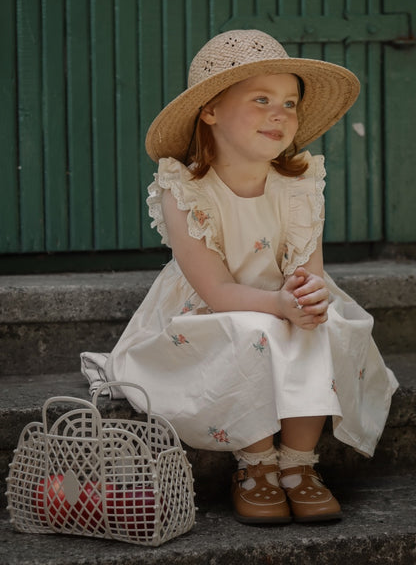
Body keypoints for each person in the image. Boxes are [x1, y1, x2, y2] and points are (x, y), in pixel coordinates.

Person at [81, 29, 398, 525]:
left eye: (290, 103)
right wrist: (280, 306)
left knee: (321, 321)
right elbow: (216, 290)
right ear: (210, 111)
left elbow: (308, 273)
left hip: (281, 301)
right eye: (262, 99)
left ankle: (298, 464)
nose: (280, 113)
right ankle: (256, 466)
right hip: (213, 311)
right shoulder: (186, 189)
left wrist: (306, 297)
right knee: (257, 329)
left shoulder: (300, 186)